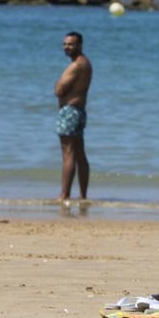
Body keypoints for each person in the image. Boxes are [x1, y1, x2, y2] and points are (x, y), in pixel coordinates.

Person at [55, 31, 93, 202]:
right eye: (65, 44)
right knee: (79, 154)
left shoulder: (77, 65)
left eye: (70, 44)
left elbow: (59, 90)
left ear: (80, 45)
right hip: (78, 111)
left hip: (70, 111)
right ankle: (83, 196)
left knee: (68, 153)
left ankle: (64, 195)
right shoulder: (86, 63)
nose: (66, 47)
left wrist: (58, 84)